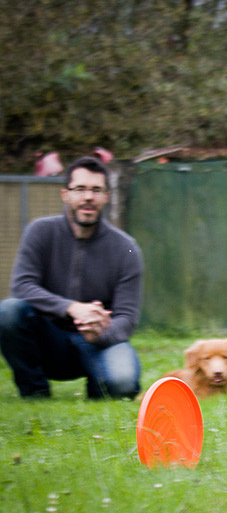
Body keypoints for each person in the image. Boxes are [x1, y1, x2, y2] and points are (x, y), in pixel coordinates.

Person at [0, 156, 144, 399]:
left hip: (97, 342)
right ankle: (34, 391)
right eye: (80, 189)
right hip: (46, 338)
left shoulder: (126, 247)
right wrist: (72, 308)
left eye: (96, 190)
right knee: (8, 311)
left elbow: (127, 318)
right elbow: (22, 287)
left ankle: (99, 387)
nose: (88, 197)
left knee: (123, 383)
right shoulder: (40, 231)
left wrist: (99, 333)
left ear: (107, 196)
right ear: (65, 194)